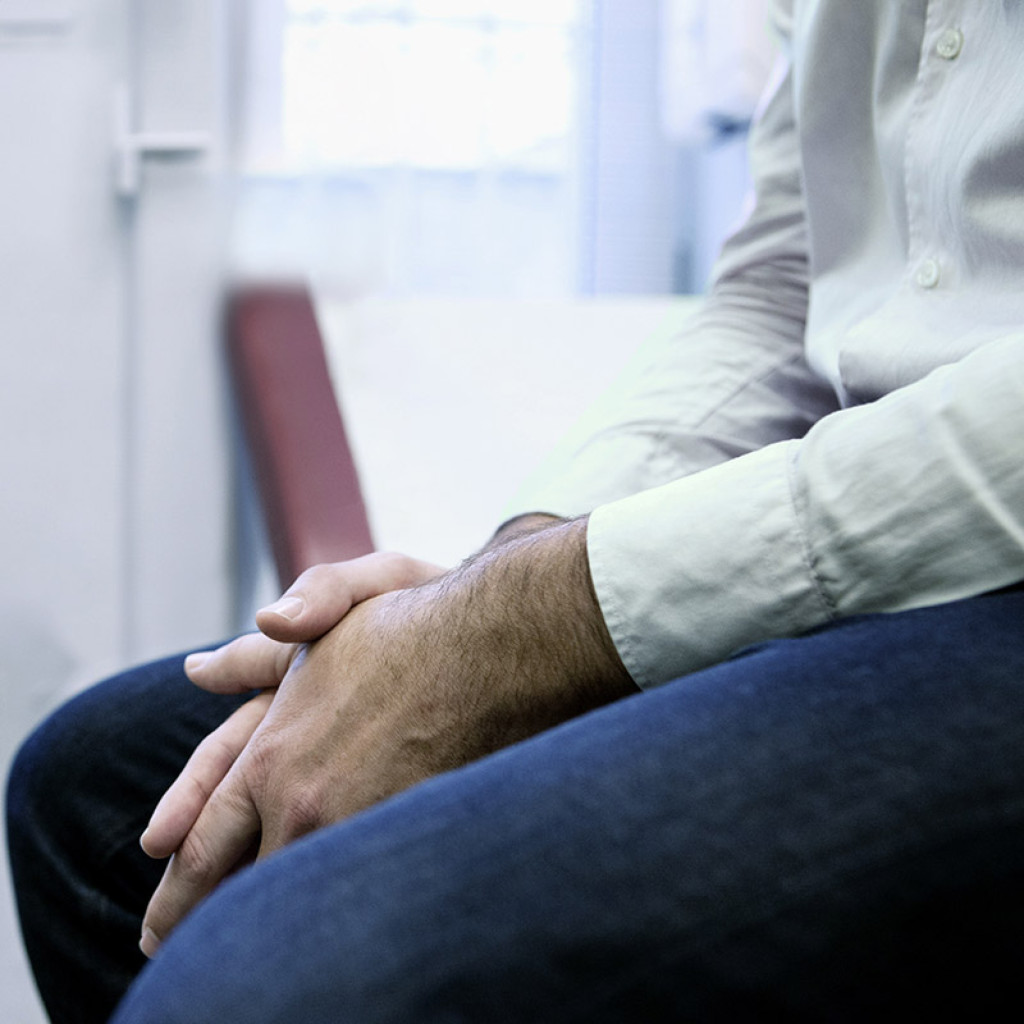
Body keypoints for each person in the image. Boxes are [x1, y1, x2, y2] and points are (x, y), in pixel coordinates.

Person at [9, 2, 1024, 1021]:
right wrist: (506, 568)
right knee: (99, 795)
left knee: (274, 976)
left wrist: (520, 631)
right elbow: (787, 281)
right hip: (876, 537)